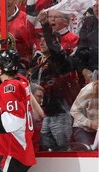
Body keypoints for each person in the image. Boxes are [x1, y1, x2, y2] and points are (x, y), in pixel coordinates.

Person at [28, 10, 79, 151]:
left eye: (46, 39)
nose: (42, 41)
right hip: (43, 114)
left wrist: (45, 26)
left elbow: (55, 48)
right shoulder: (37, 64)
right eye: (41, 39)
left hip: (60, 113)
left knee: (63, 148)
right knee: (44, 149)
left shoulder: (60, 61)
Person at [70, 80, 98, 150]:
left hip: (97, 130)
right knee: (87, 151)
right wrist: (90, 123)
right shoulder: (89, 89)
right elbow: (74, 110)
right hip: (82, 127)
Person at [30, 83, 45, 152]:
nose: (41, 100)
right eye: (39, 96)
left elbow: (40, 115)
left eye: (42, 97)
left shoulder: (39, 111)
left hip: (34, 150)